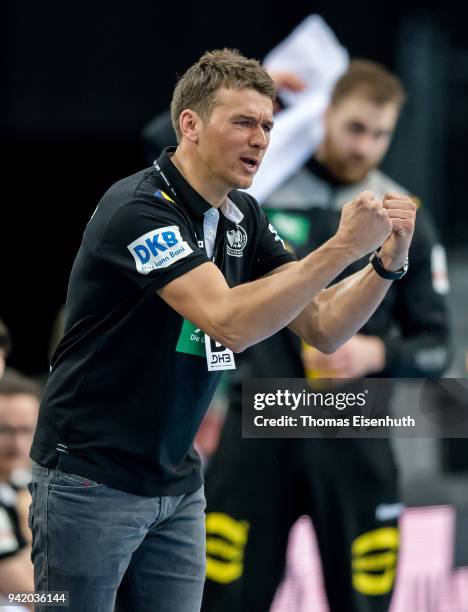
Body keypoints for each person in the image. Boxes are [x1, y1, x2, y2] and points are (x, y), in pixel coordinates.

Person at [29, 49, 416, 612]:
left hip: (176, 484)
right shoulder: (138, 208)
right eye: (243, 122)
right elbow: (228, 321)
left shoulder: (243, 216)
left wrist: (384, 264)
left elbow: (325, 327)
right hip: (90, 482)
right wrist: (342, 247)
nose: (260, 139)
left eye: (267, 125)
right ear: (190, 124)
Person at [201, 60, 451, 612]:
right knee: (224, 601)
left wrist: (376, 351)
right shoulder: (257, 193)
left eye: (381, 133)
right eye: (355, 128)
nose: (365, 146)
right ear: (326, 115)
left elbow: (437, 346)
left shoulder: (405, 213)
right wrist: (249, 92)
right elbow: (164, 150)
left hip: (355, 434)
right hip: (258, 429)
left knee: (364, 603)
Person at [0, 371, 39, 604]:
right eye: (4, 430)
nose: (17, 443)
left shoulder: (24, 485)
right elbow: (30, 597)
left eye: (26, 430)